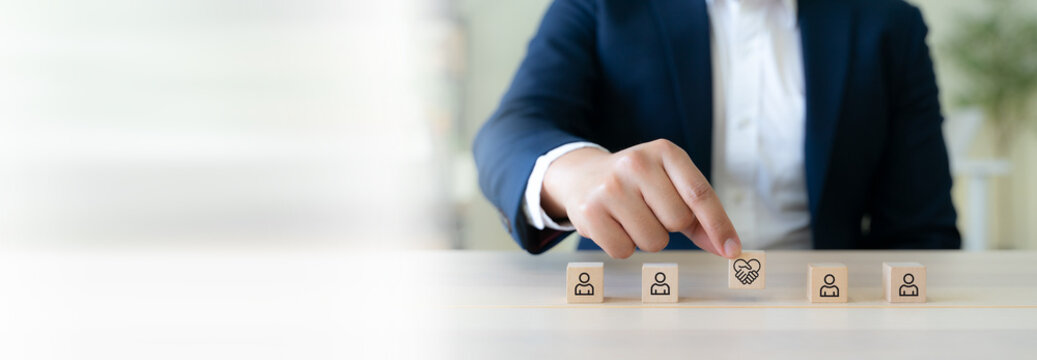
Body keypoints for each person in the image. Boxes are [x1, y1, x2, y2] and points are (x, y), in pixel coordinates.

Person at [474, 0, 961, 259]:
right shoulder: (602, 5)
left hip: (827, 319)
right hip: (638, 314)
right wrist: (570, 173)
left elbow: (922, 232)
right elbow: (513, 127)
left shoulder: (888, 25)